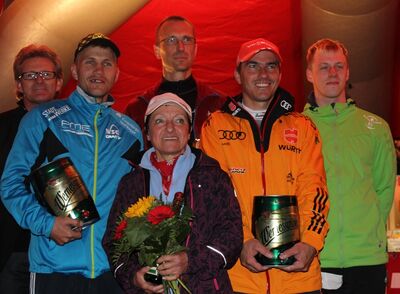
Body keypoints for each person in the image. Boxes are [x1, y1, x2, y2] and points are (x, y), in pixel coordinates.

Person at [0, 33, 143, 294]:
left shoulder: (131, 132)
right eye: (90, 62)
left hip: (113, 272)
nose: (99, 70)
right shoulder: (42, 119)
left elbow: (142, 197)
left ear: (117, 73)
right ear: (75, 71)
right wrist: (47, 224)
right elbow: (10, 184)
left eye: (107, 63)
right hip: (55, 269)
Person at [201, 38, 330, 294]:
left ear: (280, 74)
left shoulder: (302, 126)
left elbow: (315, 190)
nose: (263, 74)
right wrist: (242, 241)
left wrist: (310, 244)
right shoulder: (216, 126)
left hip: (299, 278)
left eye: (271, 66)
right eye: (253, 66)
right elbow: (214, 198)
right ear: (237, 74)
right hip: (239, 278)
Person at [103, 93, 243, 293]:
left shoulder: (212, 176)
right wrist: (134, 276)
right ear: (148, 134)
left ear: (188, 132)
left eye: (179, 120)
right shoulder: (131, 183)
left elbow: (232, 235)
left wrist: (190, 261)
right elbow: (114, 241)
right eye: (160, 121)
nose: (170, 128)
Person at [303, 38, 396, 294]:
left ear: (348, 72)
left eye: (339, 66)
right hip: (314, 258)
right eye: (324, 67)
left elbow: (384, 190)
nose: (332, 73)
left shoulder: (376, 127)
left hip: (367, 259)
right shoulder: (295, 127)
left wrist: (368, 235)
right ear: (309, 73)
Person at [0, 44, 63, 294]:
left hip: (60, 250)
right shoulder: (2, 126)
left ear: (59, 81)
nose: (39, 81)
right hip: (11, 250)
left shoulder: (74, 127)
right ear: (18, 85)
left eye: (46, 75)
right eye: (30, 75)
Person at [124, 15, 226, 146]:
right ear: (157, 51)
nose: (181, 47)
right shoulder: (138, 109)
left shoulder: (218, 104)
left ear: (195, 49)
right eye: (172, 40)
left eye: (187, 39)